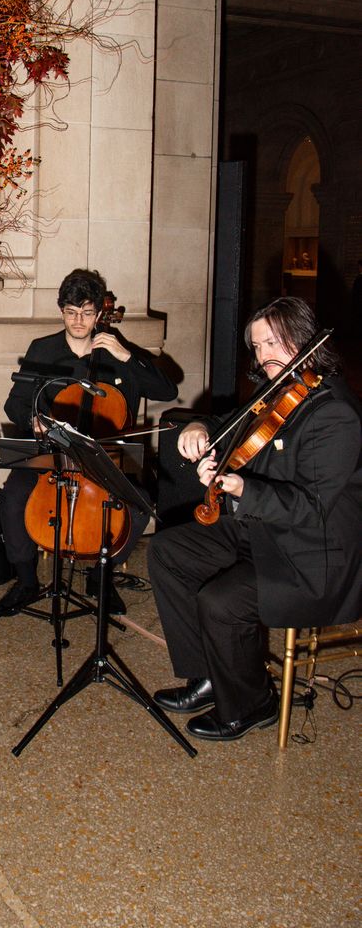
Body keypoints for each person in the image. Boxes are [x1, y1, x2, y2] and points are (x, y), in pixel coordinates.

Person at [148, 297, 362, 741]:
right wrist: (199, 427)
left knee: (221, 601)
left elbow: (310, 507)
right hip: (265, 530)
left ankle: (251, 704)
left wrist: (243, 489)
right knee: (168, 551)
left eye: (273, 342)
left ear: (302, 339)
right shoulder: (278, 392)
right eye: (258, 345)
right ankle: (210, 676)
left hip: (313, 556)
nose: (264, 355)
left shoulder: (335, 414)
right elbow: (228, 423)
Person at [0, 268, 178, 617]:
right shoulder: (43, 349)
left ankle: (101, 576)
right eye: (71, 312)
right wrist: (33, 420)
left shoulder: (118, 352)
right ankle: (25, 580)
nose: (79, 321)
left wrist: (126, 357)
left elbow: (167, 391)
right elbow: (14, 403)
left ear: (99, 314)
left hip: (103, 456)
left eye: (87, 313)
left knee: (140, 506)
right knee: (14, 496)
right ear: (61, 310)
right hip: (53, 451)